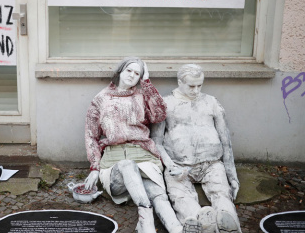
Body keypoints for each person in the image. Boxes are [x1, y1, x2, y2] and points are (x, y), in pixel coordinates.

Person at [84, 57, 184, 233]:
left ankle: (177, 229)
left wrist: (146, 83)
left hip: (143, 154)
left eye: (137, 73)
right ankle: (146, 223)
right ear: (120, 71)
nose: (132, 75)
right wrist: (94, 168)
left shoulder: (141, 96)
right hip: (114, 162)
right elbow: (91, 135)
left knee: (158, 196)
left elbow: (159, 115)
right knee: (127, 165)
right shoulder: (101, 99)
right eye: (129, 70)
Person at [151, 64, 241, 233]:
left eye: (199, 85)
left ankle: (228, 225)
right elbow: (156, 142)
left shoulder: (211, 102)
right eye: (191, 86)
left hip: (211, 163)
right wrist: (170, 165)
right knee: (181, 198)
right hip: (179, 165)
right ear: (179, 82)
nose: (196, 90)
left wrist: (232, 176)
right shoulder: (165, 104)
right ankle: (199, 224)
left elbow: (225, 141)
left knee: (222, 195)